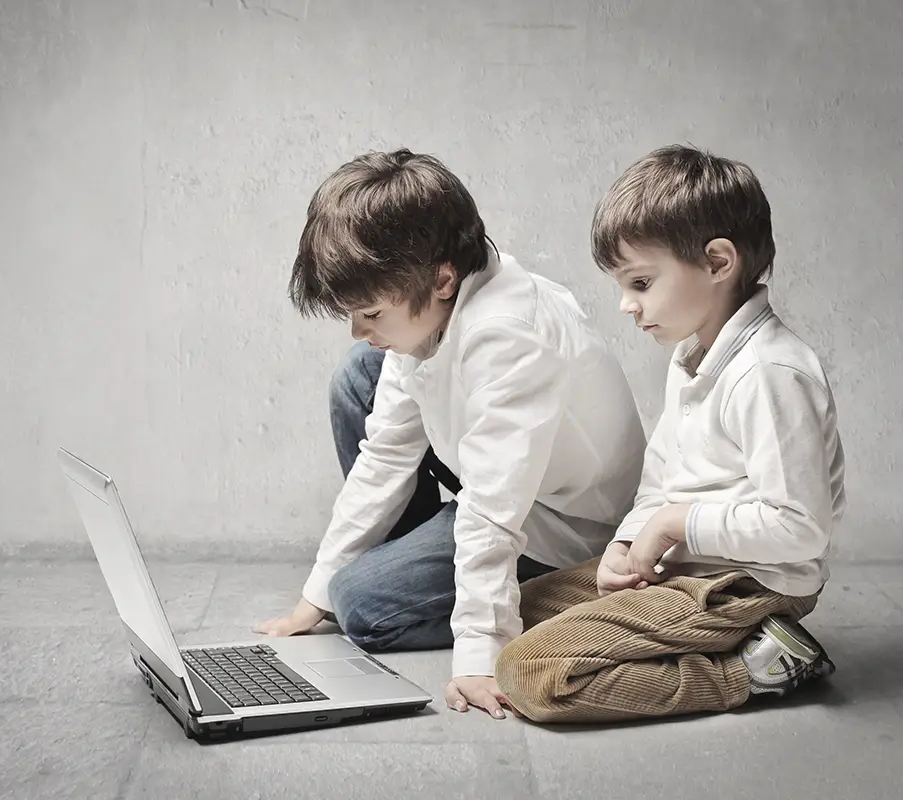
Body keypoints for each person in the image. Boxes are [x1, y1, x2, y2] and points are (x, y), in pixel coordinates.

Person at [254, 148, 646, 718]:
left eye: (370, 313)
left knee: (360, 607)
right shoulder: (437, 304)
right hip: (497, 477)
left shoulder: (509, 335)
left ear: (441, 279)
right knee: (361, 374)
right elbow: (386, 455)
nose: (356, 329)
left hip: (559, 525)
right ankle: (416, 566)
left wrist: (481, 652)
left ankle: (552, 597)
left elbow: (492, 509)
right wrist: (313, 597)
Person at [494, 144, 847, 723]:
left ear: (718, 262)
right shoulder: (690, 357)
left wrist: (674, 524)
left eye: (641, 282)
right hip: (681, 565)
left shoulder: (769, 373)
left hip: (744, 582)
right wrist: (628, 542)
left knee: (531, 673)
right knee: (513, 609)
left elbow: (800, 529)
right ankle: (696, 642)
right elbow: (660, 482)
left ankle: (754, 668)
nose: (627, 306)